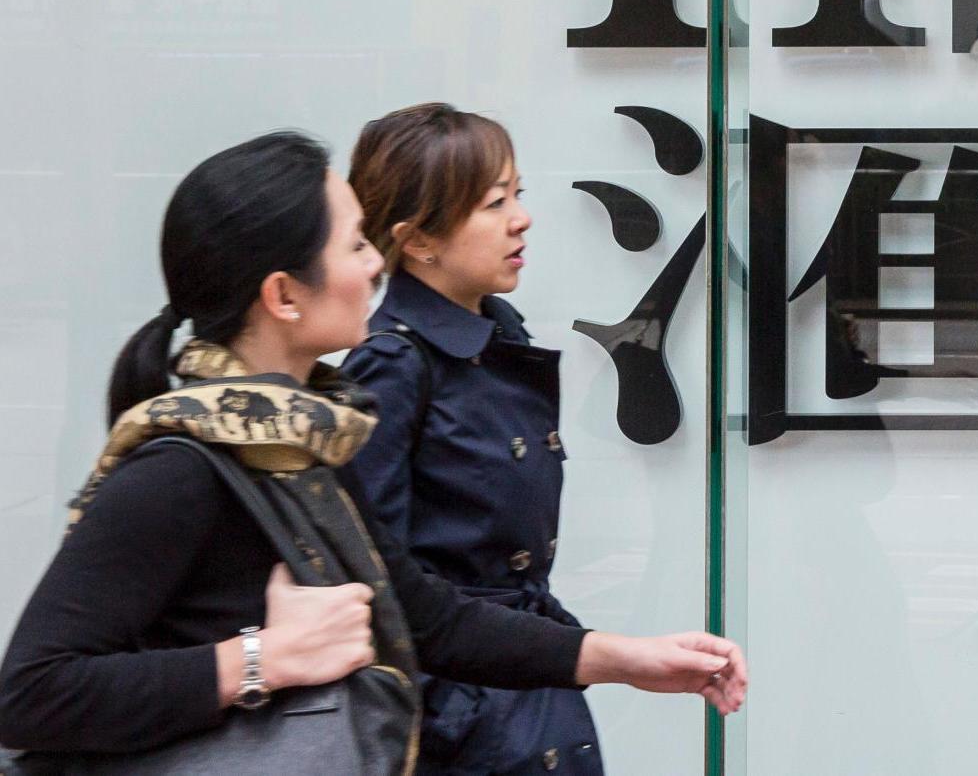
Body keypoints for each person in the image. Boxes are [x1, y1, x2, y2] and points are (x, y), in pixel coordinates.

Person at [0, 130, 744, 768]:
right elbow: (29, 693)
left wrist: (630, 659)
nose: (374, 266)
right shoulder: (183, 467)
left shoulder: (308, 441)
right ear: (284, 295)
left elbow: (430, 617)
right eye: (355, 243)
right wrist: (259, 659)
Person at [338, 104, 605, 775]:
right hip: (466, 722)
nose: (522, 217)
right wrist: (456, 715)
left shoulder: (496, 336)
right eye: (493, 202)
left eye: (518, 193)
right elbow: (376, 582)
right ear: (419, 238)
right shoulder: (395, 361)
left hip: (522, 684)